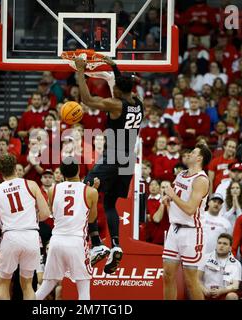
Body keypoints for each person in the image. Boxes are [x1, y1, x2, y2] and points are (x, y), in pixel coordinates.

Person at [75, 56, 143, 274]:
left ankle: (96, 244)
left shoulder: (115, 104)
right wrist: (113, 66)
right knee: (110, 203)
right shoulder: (138, 102)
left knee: (85, 190)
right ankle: (116, 245)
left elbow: (87, 99)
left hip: (113, 156)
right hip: (128, 159)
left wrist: (80, 70)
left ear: (117, 91)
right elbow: (121, 83)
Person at [0, 153, 50, 300]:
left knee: (4, 283)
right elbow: (46, 213)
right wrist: (30, 219)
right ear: (15, 167)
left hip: (10, 237)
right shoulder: (31, 184)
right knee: (27, 284)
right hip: (31, 236)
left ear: (0, 172)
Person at [35, 158, 102, 300]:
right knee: (83, 288)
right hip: (76, 241)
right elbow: (91, 219)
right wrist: (94, 191)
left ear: (62, 173)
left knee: (47, 285)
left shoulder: (52, 190)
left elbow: (53, 212)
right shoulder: (90, 192)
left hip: (56, 240)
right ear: (78, 169)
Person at [162, 143, 212, 300]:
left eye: (193, 152)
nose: (189, 154)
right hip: (174, 229)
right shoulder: (181, 174)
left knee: (191, 281)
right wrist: (168, 197)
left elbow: (190, 209)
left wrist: (172, 195)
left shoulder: (201, 180)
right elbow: (177, 196)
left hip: (192, 232)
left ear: (199, 158)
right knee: (167, 275)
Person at [198, 233, 242, 300]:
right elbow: (197, 279)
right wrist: (205, 290)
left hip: (224, 294)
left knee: (232, 296)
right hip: (206, 292)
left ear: (230, 248)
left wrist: (221, 291)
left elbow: (235, 285)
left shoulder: (236, 263)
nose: (221, 246)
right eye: (219, 243)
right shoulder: (205, 258)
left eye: (225, 244)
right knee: (196, 291)